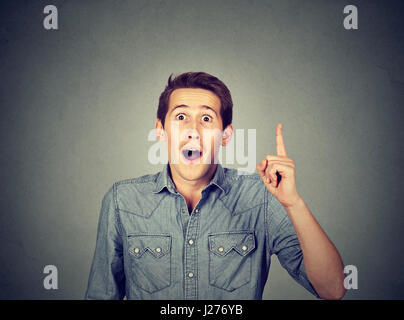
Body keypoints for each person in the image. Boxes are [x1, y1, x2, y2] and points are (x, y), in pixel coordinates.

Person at [85, 72, 346, 300]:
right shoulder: (122, 200)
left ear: (226, 135)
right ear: (160, 130)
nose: (193, 130)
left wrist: (293, 203)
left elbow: (332, 290)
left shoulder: (262, 197)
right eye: (181, 116)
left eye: (207, 119)